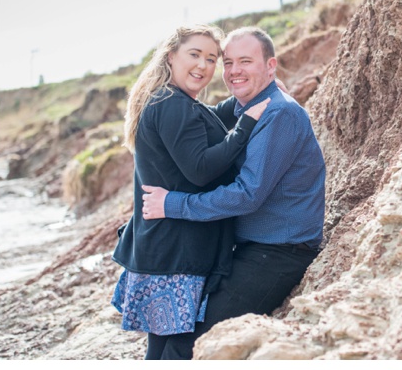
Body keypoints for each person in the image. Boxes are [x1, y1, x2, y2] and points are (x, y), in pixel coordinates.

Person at [140, 26, 326, 360]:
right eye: (227, 63)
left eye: (245, 61)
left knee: (191, 343)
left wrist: (173, 203)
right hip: (247, 248)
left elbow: (246, 195)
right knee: (175, 328)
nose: (234, 71)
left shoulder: (280, 114)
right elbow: (201, 119)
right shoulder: (250, 108)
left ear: (271, 66)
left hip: (278, 253)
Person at [111, 24, 271, 360]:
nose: (203, 65)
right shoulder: (173, 104)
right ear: (171, 56)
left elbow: (207, 121)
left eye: (211, 58)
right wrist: (246, 125)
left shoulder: (173, 100)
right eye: (194, 54)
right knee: (169, 347)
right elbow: (199, 169)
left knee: (162, 346)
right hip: (174, 254)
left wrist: (245, 99)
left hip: (163, 247)